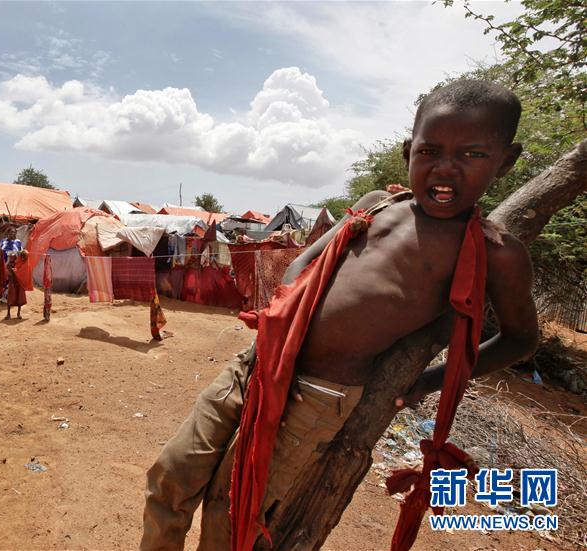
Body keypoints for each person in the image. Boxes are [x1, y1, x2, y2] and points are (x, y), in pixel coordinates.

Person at [141, 80, 539, 550]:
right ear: (409, 150)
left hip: (319, 394)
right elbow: (304, 261)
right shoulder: (379, 204)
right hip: (259, 363)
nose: (445, 169)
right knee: (170, 476)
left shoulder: (496, 253)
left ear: (506, 161)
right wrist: (284, 317)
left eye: (472, 155)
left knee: (233, 511)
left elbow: (521, 340)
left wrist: (429, 382)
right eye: (430, 151)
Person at [0, 228, 22, 304]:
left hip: (15, 265)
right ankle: (3, 297)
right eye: (11, 232)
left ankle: (12, 298)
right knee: (5, 281)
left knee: (14, 282)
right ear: (8, 233)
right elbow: (0, 252)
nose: (13, 234)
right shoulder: (3, 241)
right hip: (5, 265)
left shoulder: (18, 242)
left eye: (14, 232)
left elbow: (20, 252)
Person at [4, 250, 28, 320]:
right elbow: (10, 274)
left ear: (15, 258)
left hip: (19, 283)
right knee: (10, 298)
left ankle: (18, 314)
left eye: (13, 257)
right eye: (10, 257)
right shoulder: (8, 265)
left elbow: (26, 258)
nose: (11, 258)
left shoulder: (19, 264)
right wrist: (13, 270)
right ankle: (8, 314)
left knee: (19, 298)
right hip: (12, 283)